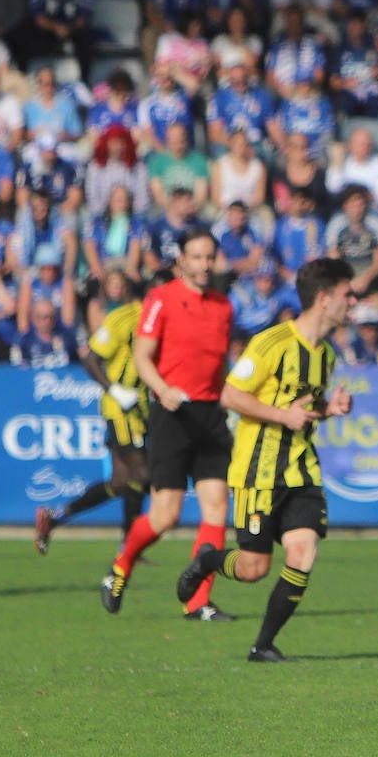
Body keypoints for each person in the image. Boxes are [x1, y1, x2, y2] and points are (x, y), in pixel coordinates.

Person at [176, 257, 357, 662]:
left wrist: (331, 408)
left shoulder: (325, 354)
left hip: (302, 470)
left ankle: (263, 644)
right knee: (254, 568)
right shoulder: (272, 343)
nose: (354, 301)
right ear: (324, 299)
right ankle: (208, 559)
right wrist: (283, 415)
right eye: (348, 294)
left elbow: (303, 406)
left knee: (303, 551)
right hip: (258, 471)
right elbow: (230, 394)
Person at [104, 230, 233, 622]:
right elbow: (143, 357)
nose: (205, 265)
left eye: (210, 257)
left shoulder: (224, 306)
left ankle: (198, 601)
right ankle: (121, 566)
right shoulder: (161, 299)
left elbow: (219, 364)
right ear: (182, 262)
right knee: (165, 515)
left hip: (211, 415)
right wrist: (163, 389)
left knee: (216, 508)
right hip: (172, 414)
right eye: (196, 257)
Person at [35, 277, 148, 554]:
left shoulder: (164, 322)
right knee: (142, 474)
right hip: (122, 408)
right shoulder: (124, 319)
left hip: (143, 408)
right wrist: (116, 390)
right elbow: (90, 357)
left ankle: (57, 515)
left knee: (121, 481)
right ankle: (129, 547)